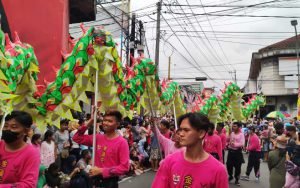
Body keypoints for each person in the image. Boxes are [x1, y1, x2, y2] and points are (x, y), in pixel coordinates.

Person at [152, 112, 228, 188]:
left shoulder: (218, 170)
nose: (181, 134)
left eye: (186, 130)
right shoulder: (169, 161)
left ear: (201, 133)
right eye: (180, 129)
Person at [73, 109, 129, 188]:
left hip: (110, 182)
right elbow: (76, 138)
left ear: (117, 124)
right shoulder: (98, 137)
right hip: (94, 181)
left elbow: (124, 167)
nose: (105, 123)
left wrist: (101, 171)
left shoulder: (122, 142)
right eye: (105, 120)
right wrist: (91, 120)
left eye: (110, 121)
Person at [0, 111, 40, 187]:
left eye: (14, 127)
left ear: (26, 131)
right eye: (6, 126)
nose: (8, 129)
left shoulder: (31, 153)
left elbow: (29, 184)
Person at [268, 122, 287, 188]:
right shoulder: (289, 154)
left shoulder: (271, 154)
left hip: (274, 176)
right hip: (286, 178)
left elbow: (270, 166)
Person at [226, 121, 245, 186]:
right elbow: (229, 140)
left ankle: (237, 179)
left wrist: (234, 144)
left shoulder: (241, 134)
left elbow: (242, 143)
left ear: (239, 127)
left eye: (235, 126)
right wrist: (228, 142)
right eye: (233, 126)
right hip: (230, 152)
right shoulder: (232, 133)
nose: (233, 127)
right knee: (228, 165)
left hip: (237, 153)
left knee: (237, 167)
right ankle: (230, 176)